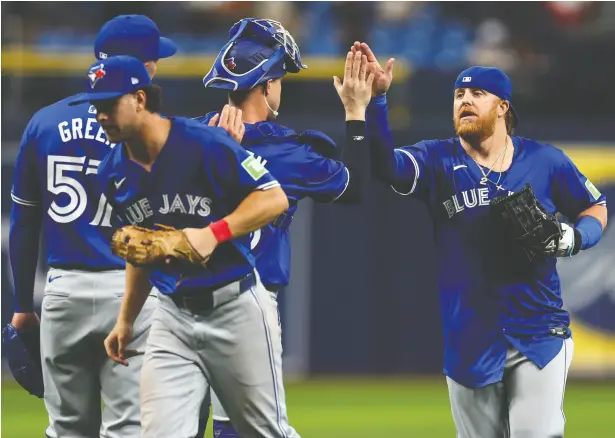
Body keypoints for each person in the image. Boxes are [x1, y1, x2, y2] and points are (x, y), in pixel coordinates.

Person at [354, 41, 608, 437]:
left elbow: (596, 206)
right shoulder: (437, 159)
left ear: (503, 106)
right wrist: (377, 104)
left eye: (476, 93)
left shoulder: (545, 160)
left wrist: (573, 238)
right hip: (469, 336)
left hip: (538, 330)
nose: (464, 101)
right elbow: (386, 167)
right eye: (458, 94)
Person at [77, 54, 294, 438]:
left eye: (110, 105)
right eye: (96, 107)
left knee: (264, 432)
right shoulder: (112, 172)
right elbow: (142, 249)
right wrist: (126, 320)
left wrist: (215, 232)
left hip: (236, 308)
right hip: (172, 316)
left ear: (140, 99)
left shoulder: (204, 143)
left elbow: (273, 199)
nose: (101, 116)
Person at [197, 17, 374, 438]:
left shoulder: (189, 136)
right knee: (259, 430)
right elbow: (353, 187)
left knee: (183, 426)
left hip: (179, 303)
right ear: (266, 85)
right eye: (279, 79)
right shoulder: (287, 151)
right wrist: (356, 110)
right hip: (247, 303)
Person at [8, 15, 177, 438]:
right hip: (132, 293)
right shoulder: (151, 128)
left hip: (64, 292)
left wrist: (22, 306)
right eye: (153, 58)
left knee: (66, 429)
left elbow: (25, 221)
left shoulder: (43, 122)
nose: (157, 66)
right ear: (139, 66)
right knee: (128, 429)